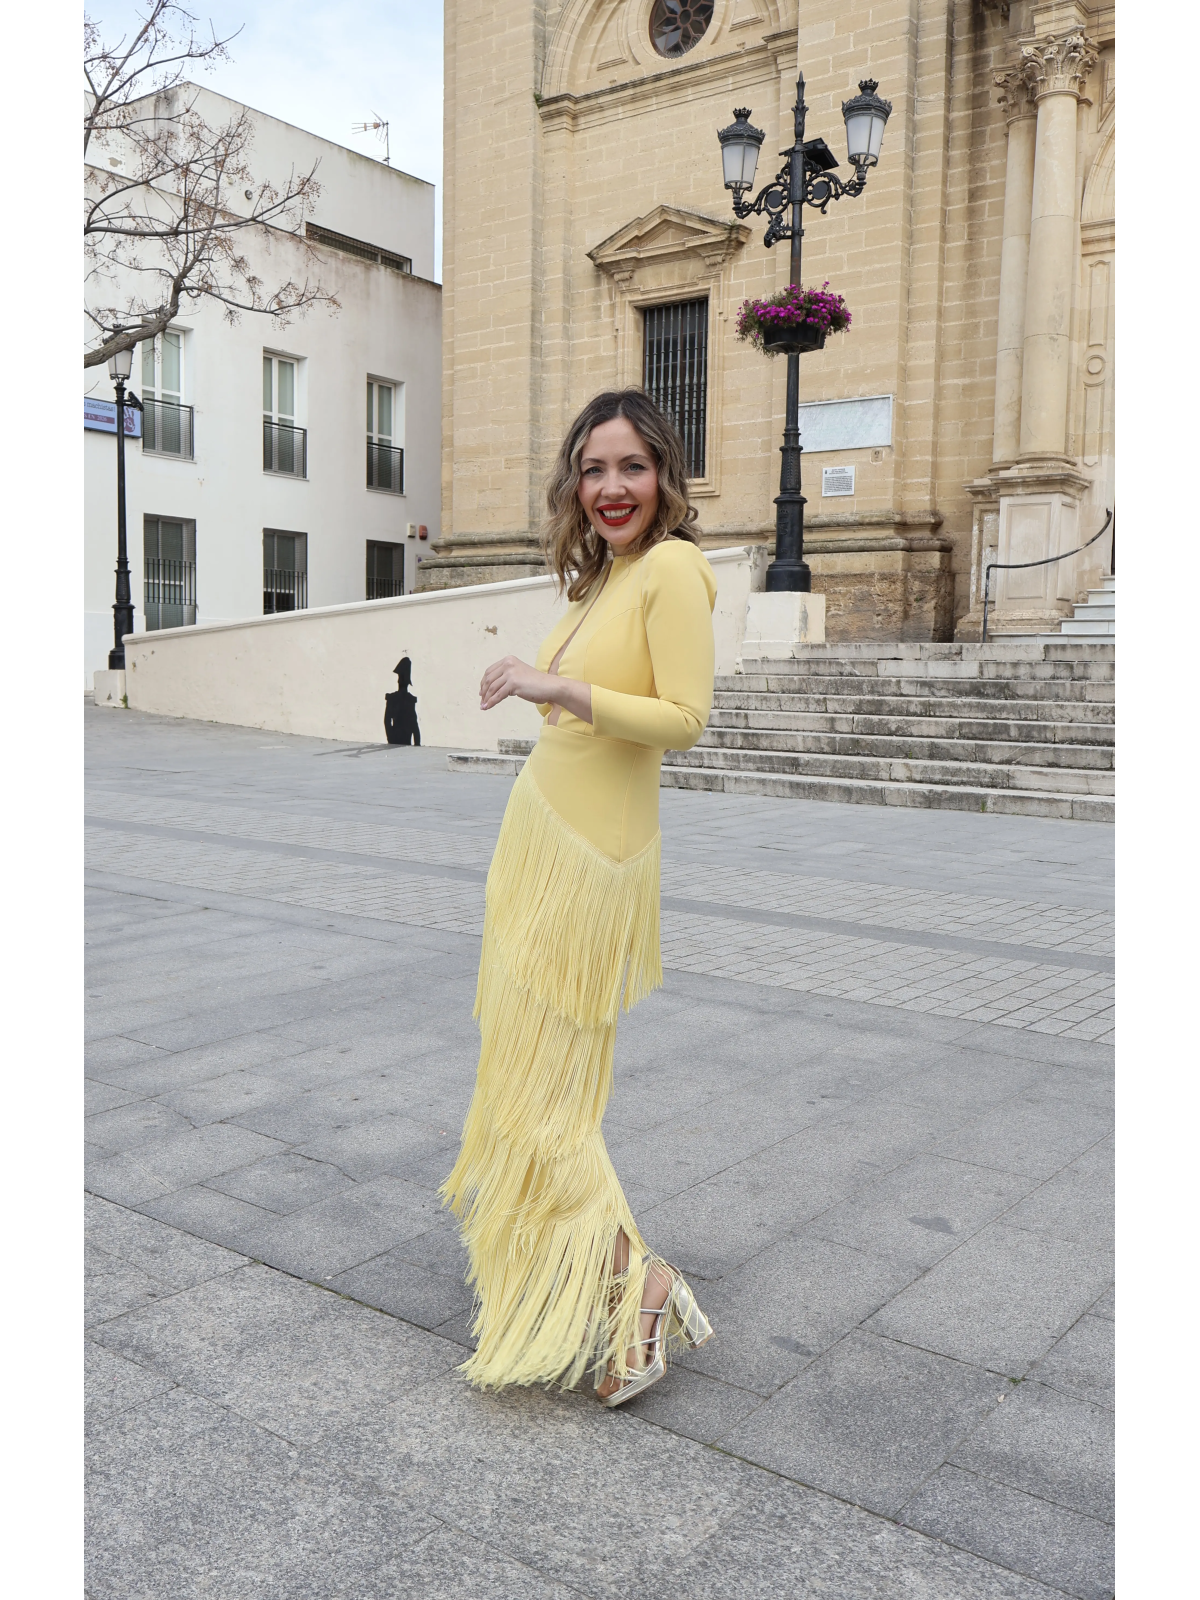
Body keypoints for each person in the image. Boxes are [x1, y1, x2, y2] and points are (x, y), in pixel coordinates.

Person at [441, 389, 716, 1406]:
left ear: (664, 476)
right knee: (523, 1081)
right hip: (540, 848)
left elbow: (685, 716)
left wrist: (552, 687)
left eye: (631, 468)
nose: (610, 488)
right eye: (593, 469)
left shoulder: (675, 571)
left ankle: (634, 1282)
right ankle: (598, 1276)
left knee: (545, 1095)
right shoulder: (605, 578)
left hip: (591, 867)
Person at [384, 657, 420, 745]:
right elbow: (387, 720)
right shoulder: (396, 698)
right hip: (397, 738)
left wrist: (417, 743)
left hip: (403, 739)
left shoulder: (407, 699)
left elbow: (414, 724)